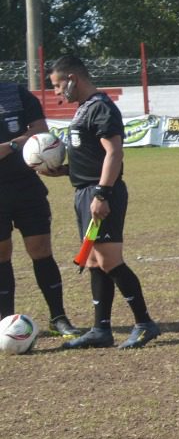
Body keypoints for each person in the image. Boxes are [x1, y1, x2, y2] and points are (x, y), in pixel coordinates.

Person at [43, 58, 158, 349]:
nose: (57, 93)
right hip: (86, 191)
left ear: (72, 79)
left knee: (109, 260)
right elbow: (94, 156)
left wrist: (102, 194)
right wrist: (68, 170)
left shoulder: (101, 107)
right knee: (94, 260)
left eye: (57, 86)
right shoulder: (84, 109)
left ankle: (145, 323)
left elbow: (114, 153)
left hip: (101, 193)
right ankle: (100, 329)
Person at [0, 81, 82, 336]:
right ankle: (6, 322)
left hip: (27, 187)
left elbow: (40, 132)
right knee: (1, 255)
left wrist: (13, 145)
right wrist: (19, 143)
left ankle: (58, 317)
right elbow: (29, 137)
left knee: (41, 250)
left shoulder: (16, 93)